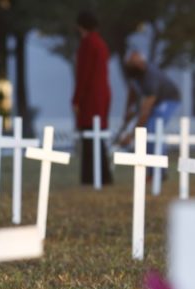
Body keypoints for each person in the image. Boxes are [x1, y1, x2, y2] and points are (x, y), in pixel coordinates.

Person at [117, 49, 181, 176]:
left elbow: (145, 112)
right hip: (154, 100)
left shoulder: (150, 77)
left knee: (152, 129)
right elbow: (133, 92)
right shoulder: (134, 75)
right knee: (148, 130)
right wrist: (128, 111)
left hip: (168, 100)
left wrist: (131, 136)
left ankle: (159, 171)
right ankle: (151, 172)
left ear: (141, 64)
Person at [72, 10, 113, 186]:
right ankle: (103, 175)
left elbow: (84, 74)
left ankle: (91, 177)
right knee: (98, 137)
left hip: (90, 97)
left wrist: (76, 99)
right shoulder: (101, 43)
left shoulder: (87, 44)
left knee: (89, 136)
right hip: (102, 95)